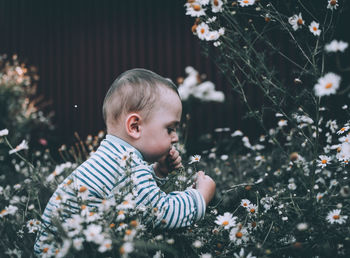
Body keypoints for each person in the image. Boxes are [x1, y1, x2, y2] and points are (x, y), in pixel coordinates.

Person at [34, 68, 216, 254]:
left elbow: (133, 197)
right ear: (135, 126)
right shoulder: (127, 167)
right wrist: (200, 197)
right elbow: (162, 214)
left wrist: (158, 172)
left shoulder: (113, 157)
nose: (176, 137)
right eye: (170, 128)